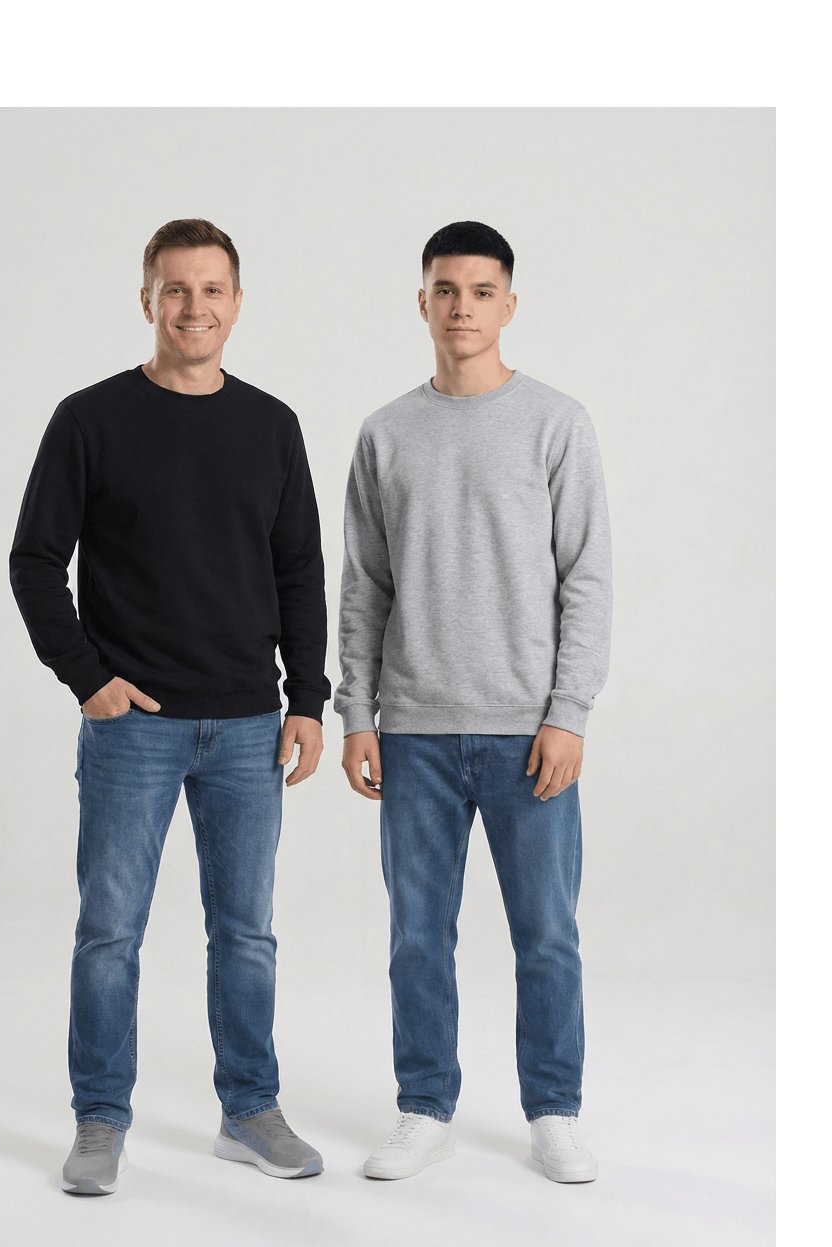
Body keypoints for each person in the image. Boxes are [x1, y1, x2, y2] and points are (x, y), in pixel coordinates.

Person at [10, 218, 330, 1194]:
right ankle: (100, 1119)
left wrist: (306, 699)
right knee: (111, 931)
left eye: (211, 289)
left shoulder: (271, 425)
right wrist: (87, 677)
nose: (195, 307)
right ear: (147, 298)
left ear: (237, 301)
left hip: (248, 725)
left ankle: (250, 1110)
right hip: (132, 727)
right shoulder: (90, 419)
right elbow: (34, 560)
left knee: (246, 932)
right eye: (176, 288)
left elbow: (300, 573)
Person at [335, 221, 612, 1183]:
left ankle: (554, 1109)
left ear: (509, 304)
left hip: (528, 731)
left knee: (547, 935)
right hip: (413, 730)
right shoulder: (385, 432)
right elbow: (364, 586)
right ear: (423, 302)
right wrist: (357, 713)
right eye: (446, 291)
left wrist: (569, 711)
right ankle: (424, 1108)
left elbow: (586, 577)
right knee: (418, 936)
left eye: (482, 291)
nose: (463, 308)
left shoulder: (556, 422)